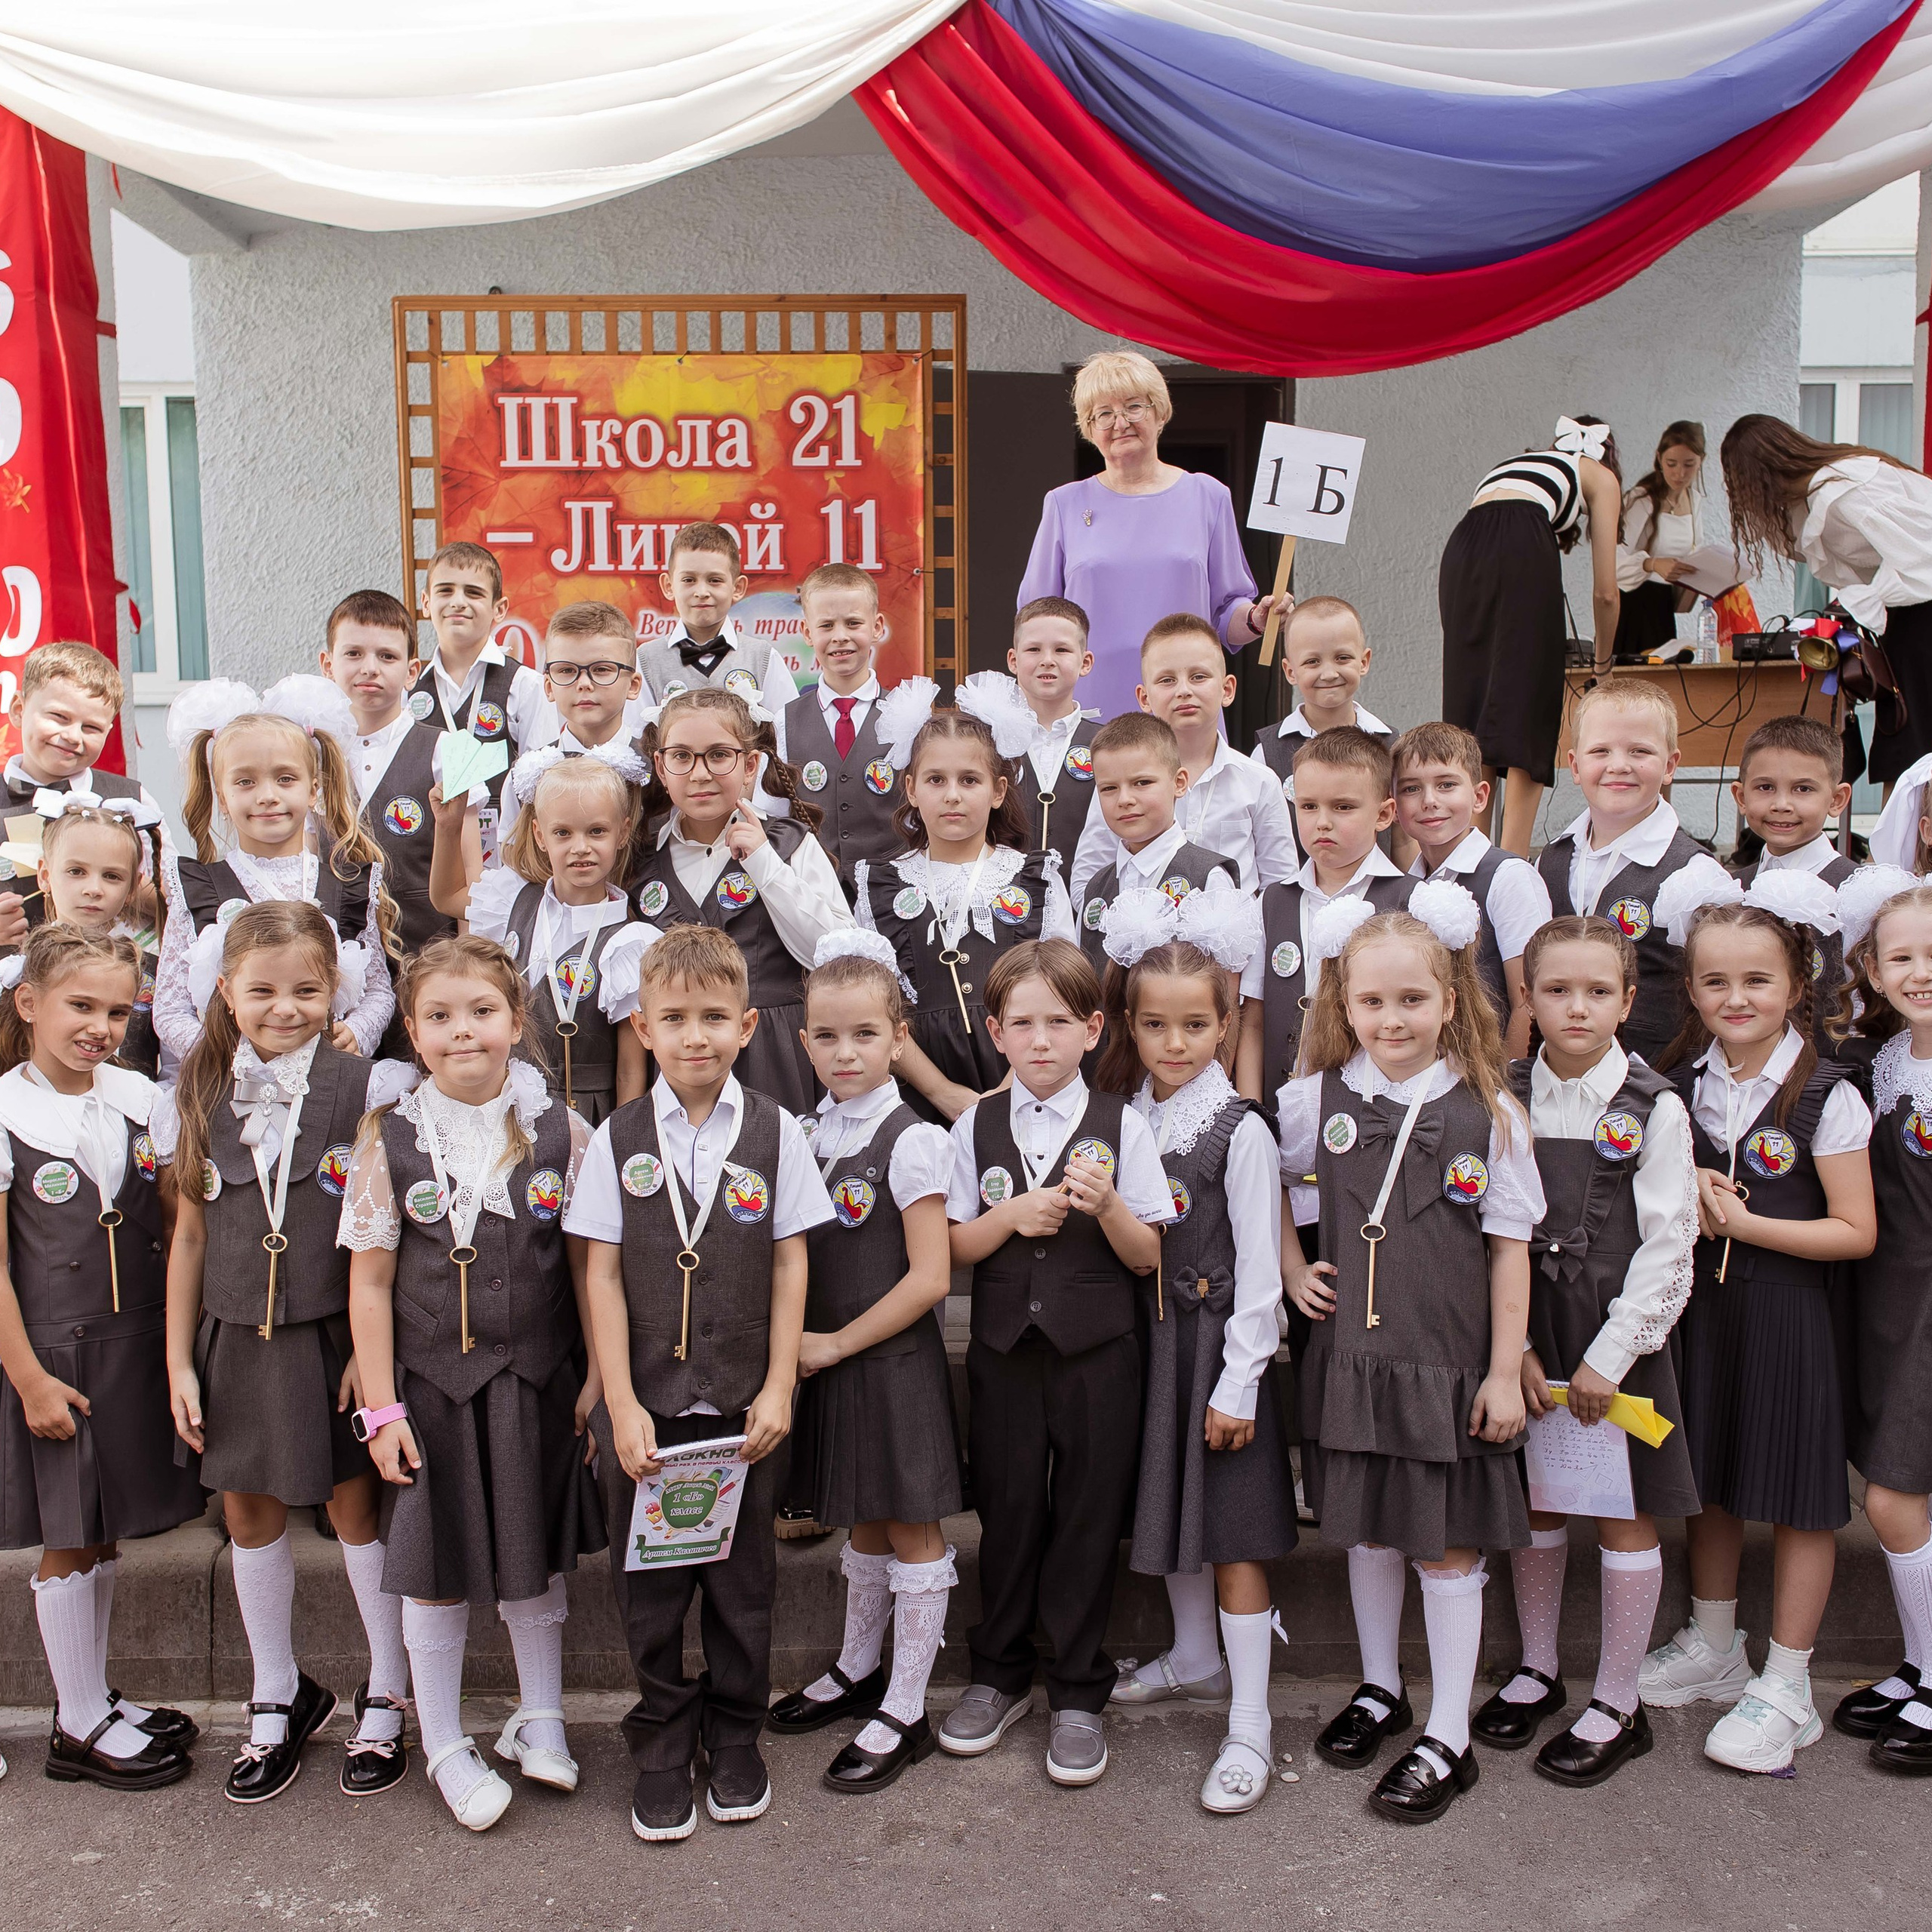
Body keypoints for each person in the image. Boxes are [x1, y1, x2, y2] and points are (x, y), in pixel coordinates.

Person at [571, 923, 835, 1844]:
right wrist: (620, 1400)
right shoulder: (615, 1136)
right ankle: (659, 1738)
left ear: (749, 1024)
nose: (694, 1036)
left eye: (713, 1017)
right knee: (648, 1586)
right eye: (674, 1018)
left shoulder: (775, 1131)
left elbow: (793, 1263)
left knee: (740, 1584)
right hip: (647, 1406)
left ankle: (734, 1734)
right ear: (641, 1027)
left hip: (740, 1405)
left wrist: (778, 1387)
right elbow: (600, 1271)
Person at [1281, 887, 1540, 1824]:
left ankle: (1449, 1736)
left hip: (1449, 1365)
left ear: (1451, 1002)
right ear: (1342, 1007)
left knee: (1445, 1547)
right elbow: (1265, 1175)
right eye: (1372, 1003)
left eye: (1412, 1001)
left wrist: (1506, 1371)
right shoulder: (1315, 1097)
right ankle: (1381, 1689)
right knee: (1368, 1527)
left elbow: (1509, 1247)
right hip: (1353, 1358)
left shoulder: (1491, 1113)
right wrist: (1289, 1264)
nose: (1392, 1020)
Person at [343, 936, 603, 1832]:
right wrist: (381, 1409)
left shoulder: (563, 1130)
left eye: (483, 1012)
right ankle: (446, 1740)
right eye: (441, 1017)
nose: (464, 1032)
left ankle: (542, 1717)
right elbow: (370, 1281)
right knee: (435, 1569)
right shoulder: (390, 1134)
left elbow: (589, 1268)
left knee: (531, 1560)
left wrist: (600, 1375)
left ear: (517, 1021)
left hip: (534, 1380)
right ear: (411, 1033)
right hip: (430, 1392)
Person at [159, 901, 414, 1803]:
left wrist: (366, 1354)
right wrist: (180, 1361)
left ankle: (388, 1688)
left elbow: (389, 1236)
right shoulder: (197, 1089)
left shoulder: (369, 1088)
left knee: (354, 1514)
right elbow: (190, 1236)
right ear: (226, 991)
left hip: (332, 1337)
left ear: (334, 989)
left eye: (307, 989)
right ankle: (278, 1690)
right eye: (261, 990)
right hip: (233, 1335)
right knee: (249, 1516)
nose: (284, 1006)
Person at [1644, 875, 1875, 1774]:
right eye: (1714, 982)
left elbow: (1855, 1231)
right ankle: (1713, 1643)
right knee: (1710, 1480)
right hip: (1702, 1313)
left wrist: (1744, 1223)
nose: (1734, 999)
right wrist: (1690, 1180)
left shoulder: (1827, 1094)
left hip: (1789, 1317)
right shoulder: (1678, 1081)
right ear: (1692, 992)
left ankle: (1787, 1682)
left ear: (1794, 988)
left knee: (1798, 1497)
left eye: (1756, 980)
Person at [1471, 916, 1699, 1788]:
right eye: (1556, 989)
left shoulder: (1654, 1105)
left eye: (1597, 991)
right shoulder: (1505, 1094)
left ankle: (1616, 1700)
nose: (1575, 1007)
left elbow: (1669, 1242)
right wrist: (1516, 1344)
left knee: (1619, 1509)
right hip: (1526, 1329)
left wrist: (1608, 1358)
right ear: (1529, 995)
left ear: (1628, 1000)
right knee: (1537, 1498)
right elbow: (1487, 1227)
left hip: (1616, 1342)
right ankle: (1536, 1666)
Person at [938, 940, 1171, 1786]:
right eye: (1023, 1024)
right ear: (995, 1033)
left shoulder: (1124, 1124)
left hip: (1097, 1355)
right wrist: (1012, 1217)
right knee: (1007, 1514)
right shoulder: (975, 1124)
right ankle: (997, 1672)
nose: (1041, 1040)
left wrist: (1105, 1207)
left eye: (1060, 1023)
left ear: (1092, 1030)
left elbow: (1147, 1254)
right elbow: (957, 1242)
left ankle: (1077, 1686)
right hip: (1004, 1354)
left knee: (1082, 1516)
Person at [1096, 888, 1295, 1816]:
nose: (1174, 1043)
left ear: (1226, 1021)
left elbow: (1260, 1268)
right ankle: (1194, 1657)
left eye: (1194, 1024)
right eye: (1154, 1025)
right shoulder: (1125, 1116)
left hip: (1217, 1343)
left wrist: (1240, 1382)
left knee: (1230, 1527)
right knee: (1167, 1504)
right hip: (1150, 1342)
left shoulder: (1238, 1128)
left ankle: (1251, 1717)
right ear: (1129, 1026)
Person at [0, 924, 202, 1790]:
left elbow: (170, 1210)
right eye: (81, 1005)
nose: (102, 1025)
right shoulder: (6, 1112)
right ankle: (76, 1723)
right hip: (56, 1353)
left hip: (133, 1344)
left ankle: (95, 1696)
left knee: (105, 1529)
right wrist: (28, 1377)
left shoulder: (137, 1094)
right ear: (29, 1003)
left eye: (119, 1009)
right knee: (67, 1538)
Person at [765, 931, 961, 1794]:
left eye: (865, 1036)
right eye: (827, 1036)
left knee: (912, 1524)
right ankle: (857, 1667)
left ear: (898, 1038)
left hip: (887, 1362)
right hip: (829, 1360)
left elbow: (930, 1276)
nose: (845, 1053)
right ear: (804, 1041)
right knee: (863, 1518)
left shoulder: (912, 1139)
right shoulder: (805, 1130)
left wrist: (837, 1343)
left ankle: (907, 1704)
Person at [1821, 869, 1932, 1773]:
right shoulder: (1886, 1060)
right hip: (1889, 1300)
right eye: (1902, 956)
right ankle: (1916, 1659)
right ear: (1871, 965)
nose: (1920, 971)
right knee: (1898, 1490)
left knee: (1896, 1495)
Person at [1017, 352, 1280, 721]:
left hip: (1182, 700)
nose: (1120, 422)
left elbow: (1225, 612)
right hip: (1089, 706)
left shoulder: (1208, 496)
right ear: (1089, 429)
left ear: (1160, 413)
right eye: (1103, 414)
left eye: (1134, 407)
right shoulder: (1063, 504)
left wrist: (1257, 619)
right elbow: (1037, 618)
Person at [856, 683, 1075, 1122]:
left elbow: (1065, 995)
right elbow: (874, 1010)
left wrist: (1010, 1090)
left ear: (998, 791)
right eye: (936, 779)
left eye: (969, 780)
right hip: (917, 1093)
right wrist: (943, 1093)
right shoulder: (878, 886)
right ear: (911, 788)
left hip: (1025, 1084)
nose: (952, 795)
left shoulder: (1037, 878)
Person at [159, 677, 396, 1068]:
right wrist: (226, 1058)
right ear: (222, 795)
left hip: (326, 1081)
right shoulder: (197, 889)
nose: (267, 795)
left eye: (285, 778)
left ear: (314, 789)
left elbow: (377, 991)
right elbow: (170, 1008)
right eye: (246, 782)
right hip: (229, 1085)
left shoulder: (348, 887)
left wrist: (357, 1032)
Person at [631, 687, 848, 1113]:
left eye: (718, 755)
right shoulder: (641, 862)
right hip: (679, 1062)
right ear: (661, 765)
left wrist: (765, 865)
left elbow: (837, 954)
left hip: (775, 1052)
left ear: (749, 765)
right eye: (681, 756)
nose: (699, 773)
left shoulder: (788, 843)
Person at [432, 756, 658, 1124]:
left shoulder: (632, 943)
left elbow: (630, 1072)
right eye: (563, 833)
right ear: (540, 835)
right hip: (503, 1104)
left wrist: (619, 1139)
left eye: (597, 831)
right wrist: (448, 825)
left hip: (585, 1114)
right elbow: (446, 897)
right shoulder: (514, 901)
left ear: (623, 832)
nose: (580, 847)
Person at [1439, 414, 1624, 854]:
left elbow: (1495, 521)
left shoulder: (1521, 465)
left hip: (1462, 547)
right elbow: (1606, 593)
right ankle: (1513, 856)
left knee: (1475, 698)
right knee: (1530, 698)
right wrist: (1603, 667)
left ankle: (1472, 854)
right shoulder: (1599, 476)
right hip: (1521, 543)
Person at [1723, 412, 1932, 787]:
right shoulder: (1831, 487)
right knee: (1904, 742)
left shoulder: (1843, 492)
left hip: (1921, 613)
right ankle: (1900, 844)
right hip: (1910, 612)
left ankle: (1901, 845)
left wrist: (1859, 603)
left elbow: (1922, 554)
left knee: (1910, 744)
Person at [1535, 679, 1731, 1069]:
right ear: (1575, 766)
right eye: (1600, 751)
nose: (1619, 765)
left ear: (1671, 765)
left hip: (1658, 1085)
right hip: (1555, 1085)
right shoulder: (1548, 862)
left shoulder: (1697, 875)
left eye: (1639, 751)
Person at [1234, 727, 1412, 1114]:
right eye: (1309, 806)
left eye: (1343, 807)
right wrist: (1250, 1113)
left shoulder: (1409, 900)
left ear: (1384, 814)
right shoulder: (1271, 901)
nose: (1322, 822)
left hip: (1373, 1116)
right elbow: (1253, 1021)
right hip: (1279, 1111)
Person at [1070, 614, 1297, 908]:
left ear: (1227, 690)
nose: (1184, 690)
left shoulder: (1259, 781)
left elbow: (1280, 885)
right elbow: (1087, 884)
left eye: (1199, 677)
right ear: (1144, 698)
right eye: (1167, 680)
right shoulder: (1121, 783)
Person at [321, 589, 473, 971]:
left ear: (411, 672)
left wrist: (469, 968)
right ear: (327, 665)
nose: (370, 668)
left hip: (426, 966)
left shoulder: (452, 750)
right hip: (330, 971)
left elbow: (472, 878)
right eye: (353, 654)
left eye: (387, 656)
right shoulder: (311, 754)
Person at [1392, 721, 1551, 1060]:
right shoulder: (1402, 886)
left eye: (1447, 785)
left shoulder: (1508, 877)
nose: (1430, 801)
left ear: (1479, 797)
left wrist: (1506, 1086)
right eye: (1410, 789)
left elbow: (1530, 1001)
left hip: (1491, 1079)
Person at [0, 641, 168, 947]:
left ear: (109, 731)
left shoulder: (131, 801)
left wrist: (128, 887)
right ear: (19, 710)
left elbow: (175, 903)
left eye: (91, 727)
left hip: (115, 978)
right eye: (59, 717)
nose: (72, 736)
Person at [1075, 713, 1238, 985]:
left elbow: (1226, 988)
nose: (1125, 799)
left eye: (1142, 783)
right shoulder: (1095, 888)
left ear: (1179, 783)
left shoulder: (1208, 878)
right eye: (1109, 788)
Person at [1730, 714, 1857, 1058]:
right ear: (1741, 796)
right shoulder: (1730, 890)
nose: (1781, 804)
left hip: (1831, 1075)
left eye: (1803, 789)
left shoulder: (1857, 892)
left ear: (1837, 799)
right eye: (1765, 787)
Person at [408, 543, 543, 854]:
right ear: (426, 603)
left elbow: (542, 785)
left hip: (507, 857)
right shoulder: (409, 690)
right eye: (445, 591)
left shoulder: (525, 685)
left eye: (473, 592)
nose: (458, 602)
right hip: (425, 858)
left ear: (500, 609)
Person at [776, 564, 902, 891]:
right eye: (827, 625)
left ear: (876, 627)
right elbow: (775, 815)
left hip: (894, 892)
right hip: (813, 893)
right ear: (807, 633)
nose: (840, 637)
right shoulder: (783, 723)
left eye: (853, 623)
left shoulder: (907, 716)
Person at [29, 802, 164, 1079]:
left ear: (132, 887)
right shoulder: (18, 969)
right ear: (45, 875)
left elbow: (173, 1067)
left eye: (111, 876)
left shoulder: (154, 972)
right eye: (76, 871)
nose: (93, 889)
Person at [1248, 597, 1396, 849]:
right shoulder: (1268, 752)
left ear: (1364, 662)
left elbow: (1402, 840)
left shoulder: (1392, 746)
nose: (1329, 674)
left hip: (1377, 887)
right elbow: (1257, 837)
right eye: (1312, 661)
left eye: (1342, 658)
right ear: (1290, 671)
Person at [638, 521, 799, 719]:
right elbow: (637, 738)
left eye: (715, 580)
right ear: (669, 586)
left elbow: (786, 734)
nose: (702, 592)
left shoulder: (763, 658)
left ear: (738, 587)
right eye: (689, 580)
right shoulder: (645, 660)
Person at [1008, 599, 1101, 876]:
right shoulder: (987, 740)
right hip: (1002, 904)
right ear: (1014, 660)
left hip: (1084, 900)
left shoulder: (1108, 743)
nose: (1047, 660)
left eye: (1061, 650)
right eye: (1034, 649)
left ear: (1085, 662)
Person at [1614, 421, 1708, 662]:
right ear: (1659, 459)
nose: (1680, 474)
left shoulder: (1695, 500)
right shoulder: (1641, 500)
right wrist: (1653, 564)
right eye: (1671, 464)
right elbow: (1613, 562)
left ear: (1701, 461)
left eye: (1689, 465)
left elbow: (1693, 554)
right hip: (1634, 605)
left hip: (1666, 606)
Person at [525, 599, 651, 762]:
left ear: (633, 686)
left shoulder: (659, 774)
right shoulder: (526, 775)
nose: (584, 684)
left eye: (601, 670)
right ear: (549, 687)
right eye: (567, 670)